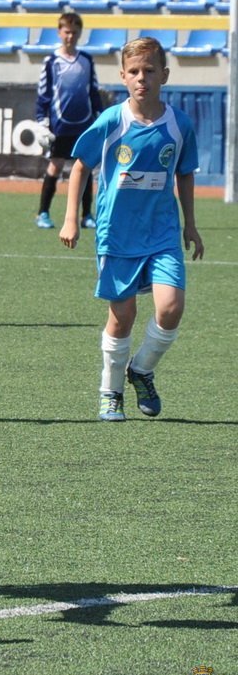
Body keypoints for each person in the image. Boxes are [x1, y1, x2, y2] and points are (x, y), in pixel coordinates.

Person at [59, 37, 203, 421]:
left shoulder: (179, 125)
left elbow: (185, 173)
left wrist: (190, 224)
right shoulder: (112, 121)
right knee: (122, 316)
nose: (142, 78)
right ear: (123, 76)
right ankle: (111, 391)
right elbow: (80, 166)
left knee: (170, 307)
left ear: (164, 75)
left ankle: (140, 368)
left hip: (162, 232)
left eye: (150, 71)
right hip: (117, 233)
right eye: (135, 71)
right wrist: (71, 217)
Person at [34, 11, 104, 231]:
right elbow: (44, 94)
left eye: (74, 32)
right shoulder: (51, 61)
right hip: (60, 125)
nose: (70, 36)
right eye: (66, 32)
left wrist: (100, 116)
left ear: (80, 33)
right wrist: (41, 121)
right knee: (55, 166)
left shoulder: (86, 60)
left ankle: (87, 215)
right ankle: (43, 212)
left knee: (85, 167)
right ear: (59, 32)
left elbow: (93, 91)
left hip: (84, 124)